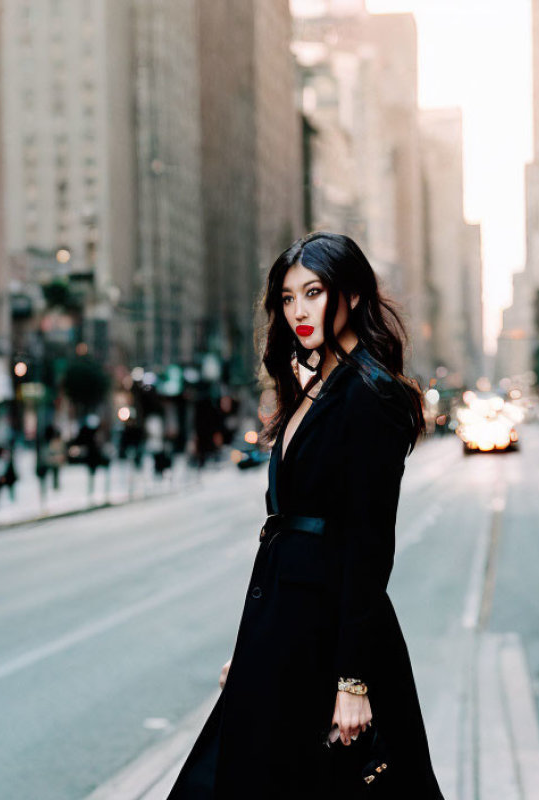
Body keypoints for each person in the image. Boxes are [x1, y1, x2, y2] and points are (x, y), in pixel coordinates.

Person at [167, 232, 445, 799]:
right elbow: (288, 530)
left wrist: (353, 680)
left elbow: (367, 546)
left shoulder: (371, 395)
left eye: (313, 292)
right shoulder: (315, 388)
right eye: (287, 298)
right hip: (285, 633)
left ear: (353, 295)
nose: (298, 311)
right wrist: (253, 648)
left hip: (330, 643)